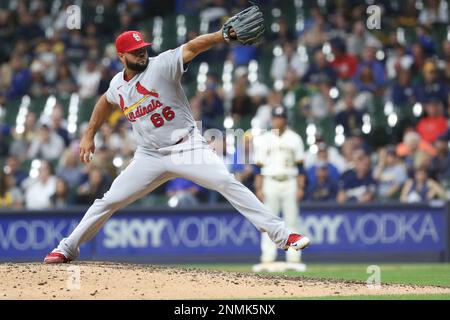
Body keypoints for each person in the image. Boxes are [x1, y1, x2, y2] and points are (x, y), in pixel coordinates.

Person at [44, 25, 310, 264]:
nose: (142, 54)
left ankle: (282, 235)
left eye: (143, 49)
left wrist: (220, 36)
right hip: (149, 155)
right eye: (135, 52)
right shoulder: (117, 84)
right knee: (108, 201)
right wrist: (89, 134)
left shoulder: (161, 66)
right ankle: (67, 247)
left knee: (227, 183)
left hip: (186, 147)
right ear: (121, 57)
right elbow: (104, 102)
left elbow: (193, 47)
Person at [252, 106, 307, 272]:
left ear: (285, 119)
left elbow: (301, 167)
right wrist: (259, 188)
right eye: (276, 117)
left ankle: (294, 258)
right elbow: (258, 168)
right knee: (268, 222)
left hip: (290, 181)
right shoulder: (263, 139)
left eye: (281, 117)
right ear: (272, 120)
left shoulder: (295, 138)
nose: (278, 120)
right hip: (270, 181)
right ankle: (268, 257)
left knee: (292, 221)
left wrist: (300, 187)